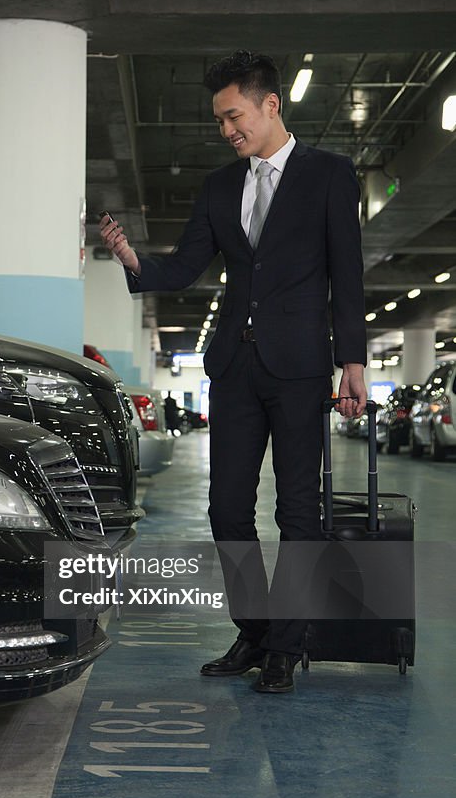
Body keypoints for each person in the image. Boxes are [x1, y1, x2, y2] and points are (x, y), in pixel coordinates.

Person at [99, 50, 367, 694]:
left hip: (302, 366)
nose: (227, 130)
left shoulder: (330, 175)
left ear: (270, 104)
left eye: (234, 116)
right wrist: (137, 262)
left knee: (300, 511)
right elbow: (188, 263)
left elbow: (347, 273)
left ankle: (286, 644)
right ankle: (254, 628)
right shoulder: (221, 187)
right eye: (220, 120)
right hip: (236, 367)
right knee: (226, 509)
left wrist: (352, 360)